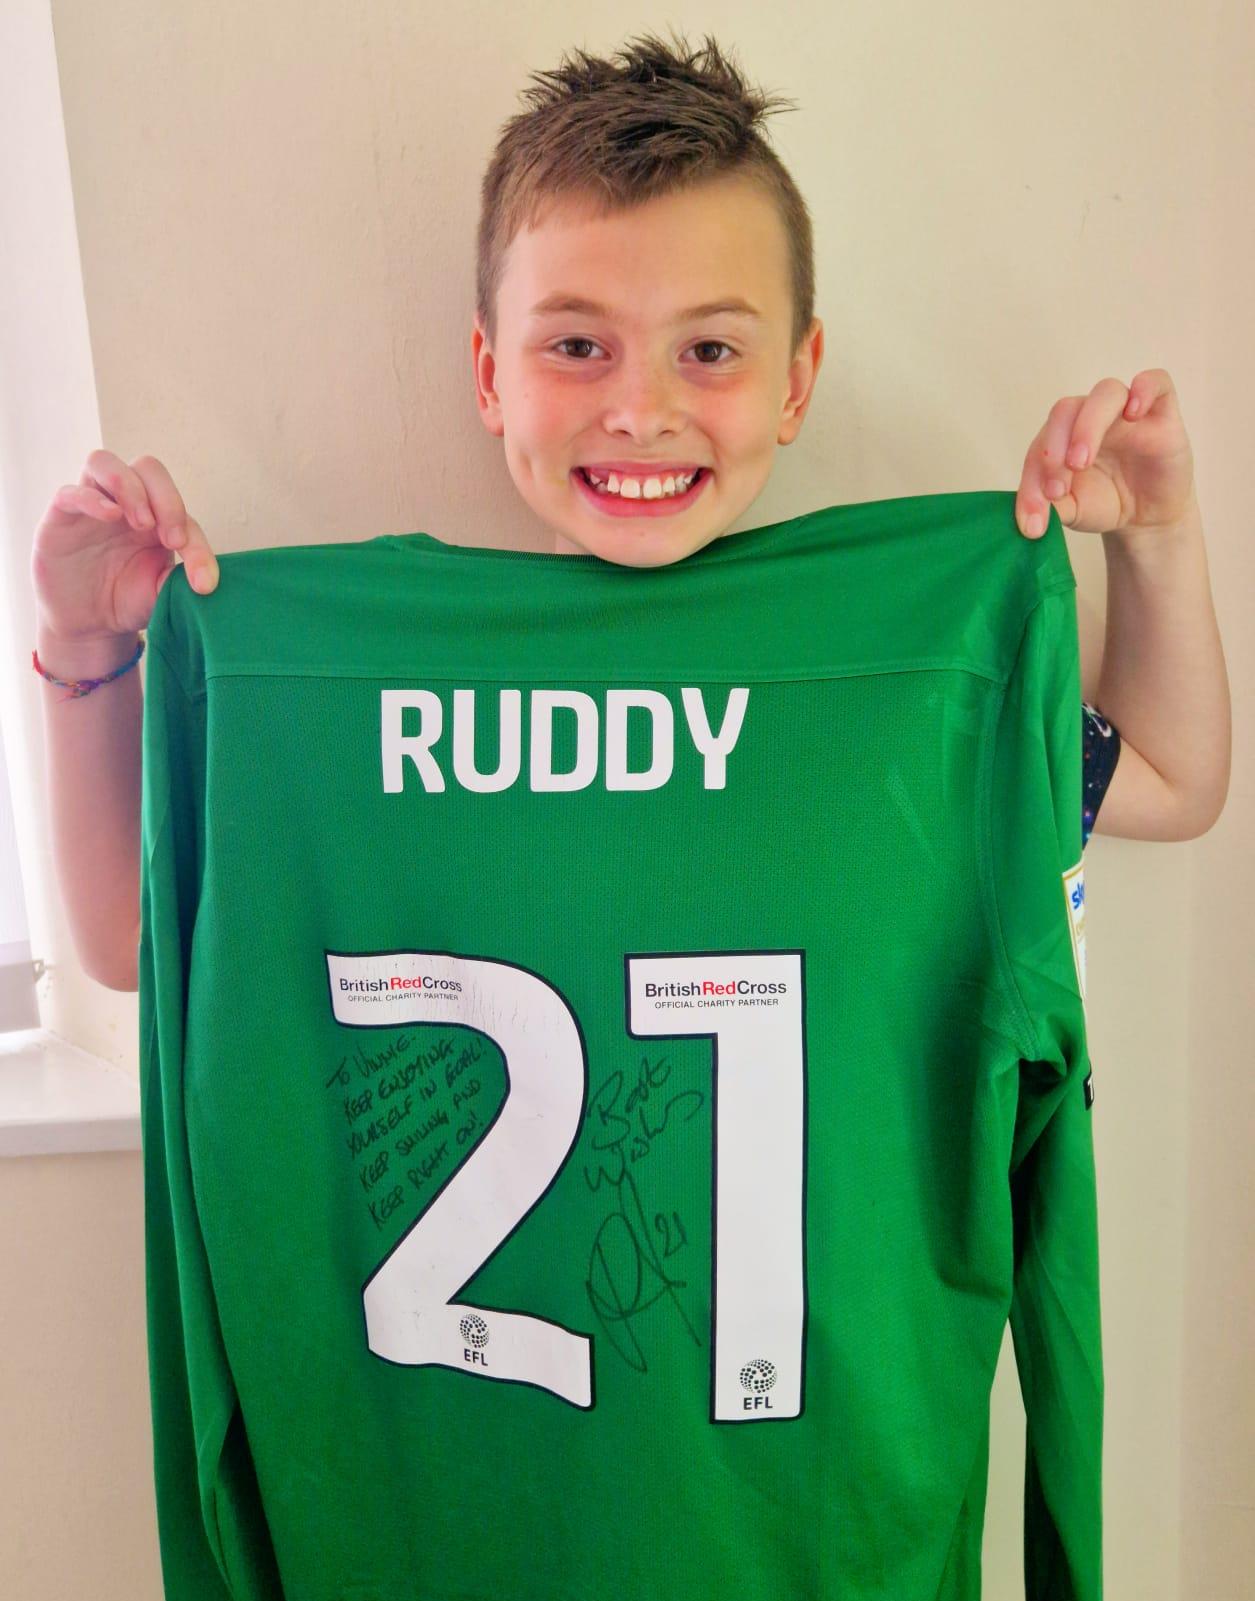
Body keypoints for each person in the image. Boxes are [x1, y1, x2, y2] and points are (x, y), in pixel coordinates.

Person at [27, 36, 1229, 1002]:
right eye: (577, 345)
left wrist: (1155, 531)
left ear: (796, 381)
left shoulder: (894, 666)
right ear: (491, 376)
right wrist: (88, 646)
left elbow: (1174, 783)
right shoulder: (382, 680)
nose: (640, 409)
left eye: (707, 348)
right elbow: (137, 944)